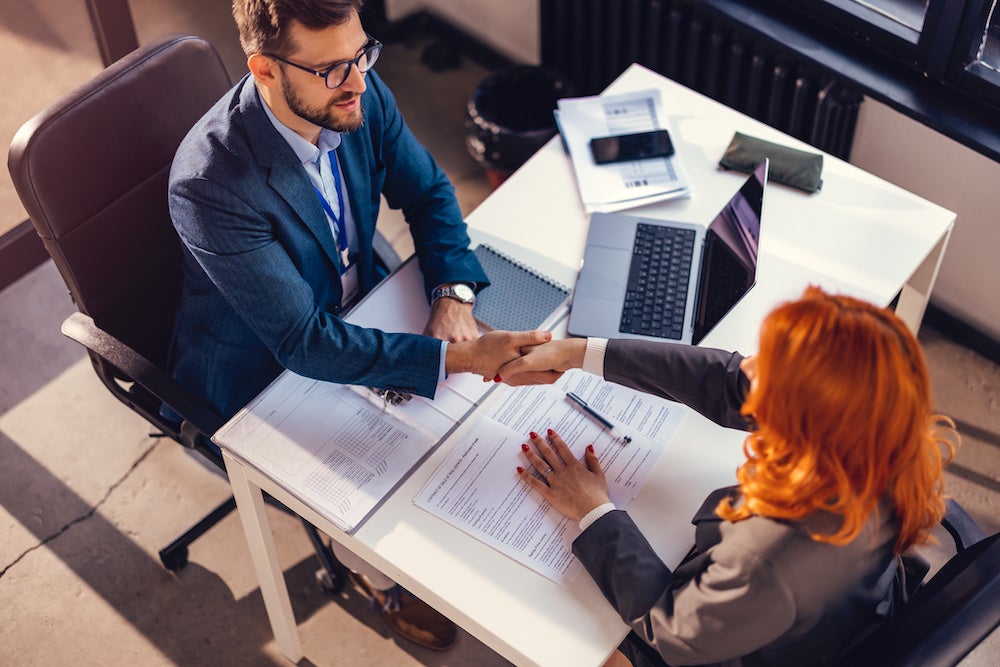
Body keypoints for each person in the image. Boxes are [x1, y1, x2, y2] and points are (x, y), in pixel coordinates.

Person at [165, 0, 547, 651]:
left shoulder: (354, 90)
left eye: (364, 52)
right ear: (265, 70)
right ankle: (374, 573)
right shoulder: (209, 183)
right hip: (264, 366)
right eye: (334, 68)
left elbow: (428, 191)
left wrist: (452, 297)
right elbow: (304, 342)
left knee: (474, 439)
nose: (360, 81)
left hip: (360, 294)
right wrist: (455, 358)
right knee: (392, 481)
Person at [498, 286, 956, 667]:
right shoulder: (877, 433)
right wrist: (580, 352)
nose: (748, 365)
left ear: (806, 417)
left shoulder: (773, 558)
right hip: (824, 614)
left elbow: (671, 630)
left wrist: (593, 511)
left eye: (769, 367)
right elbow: (724, 379)